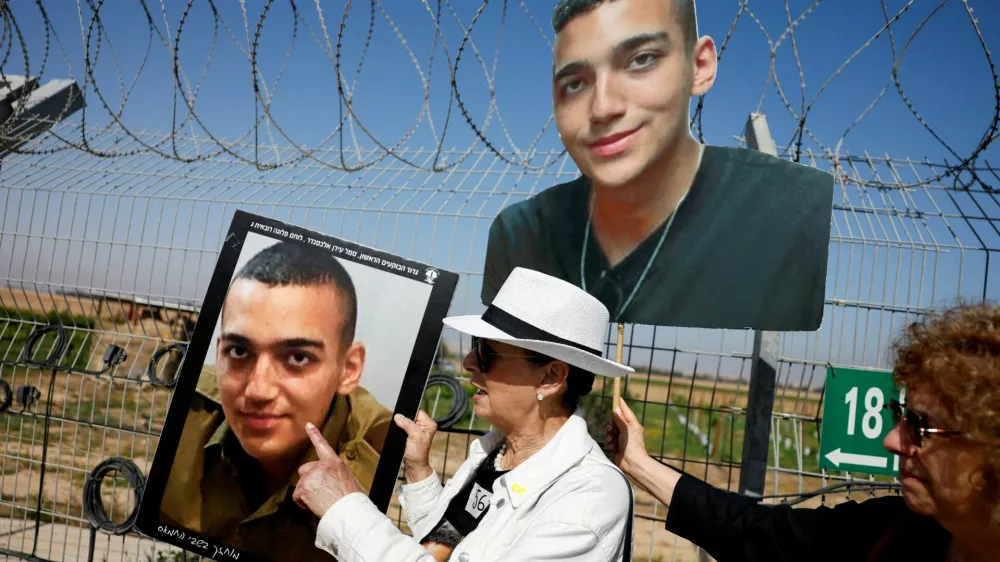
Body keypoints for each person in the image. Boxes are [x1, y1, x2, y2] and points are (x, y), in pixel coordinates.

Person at [481, 0, 834, 331]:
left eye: (640, 60)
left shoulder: (787, 215)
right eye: (575, 83)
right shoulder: (521, 236)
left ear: (699, 67)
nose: (602, 108)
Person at [605, 301, 1000, 561]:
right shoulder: (886, 533)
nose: (891, 440)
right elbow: (755, 533)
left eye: (919, 426)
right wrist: (637, 464)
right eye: (900, 416)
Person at [292, 267, 636, 562]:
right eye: (475, 344)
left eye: (487, 352)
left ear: (550, 377)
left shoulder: (588, 498)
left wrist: (345, 509)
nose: (469, 362)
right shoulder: (498, 454)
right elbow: (449, 544)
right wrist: (418, 471)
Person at [159, 241, 394, 562]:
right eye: (239, 351)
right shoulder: (192, 411)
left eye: (297, 357)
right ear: (219, 353)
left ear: (348, 370)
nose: (258, 390)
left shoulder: (379, 450)